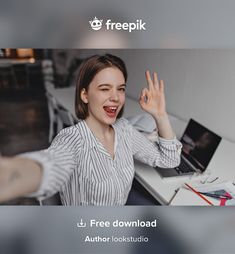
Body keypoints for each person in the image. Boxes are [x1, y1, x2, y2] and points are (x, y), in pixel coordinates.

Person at [0, 54, 182, 205]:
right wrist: (10, 174)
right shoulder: (71, 139)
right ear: (85, 95)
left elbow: (169, 159)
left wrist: (160, 115)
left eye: (121, 89)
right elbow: (50, 165)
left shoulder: (125, 129)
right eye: (104, 89)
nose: (116, 98)